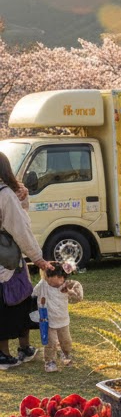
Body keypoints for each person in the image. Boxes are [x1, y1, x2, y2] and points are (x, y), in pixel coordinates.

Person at [0, 152, 51, 369]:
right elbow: (21, 228)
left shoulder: (8, 194)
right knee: (18, 301)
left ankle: (9, 352)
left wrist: (21, 199)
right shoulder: (5, 194)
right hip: (8, 259)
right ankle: (16, 350)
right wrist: (38, 258)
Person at [32, 263, 83, 372]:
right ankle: (50, 361)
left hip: (63, 320)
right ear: (48, 276)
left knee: (66, 341)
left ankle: (66, 354)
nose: (61, 280)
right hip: (48, 320)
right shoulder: (43, 285)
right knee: (50, 343)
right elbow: (33, 294)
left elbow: (77, 298)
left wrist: (70, 291)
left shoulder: (65, 287)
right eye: (59, 277)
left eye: (63, 277)